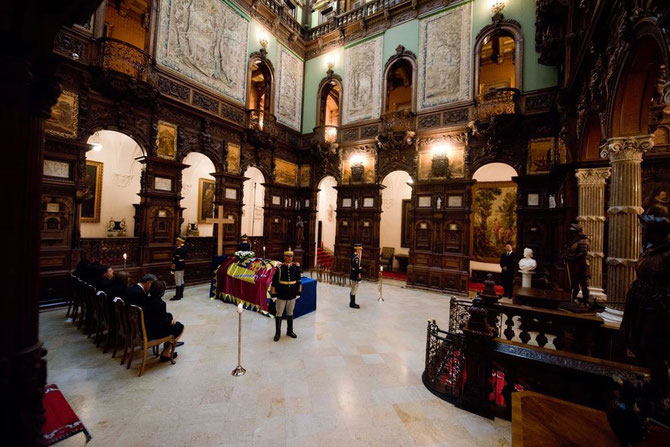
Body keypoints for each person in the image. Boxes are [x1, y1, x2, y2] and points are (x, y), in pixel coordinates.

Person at [145, 280, 185, 362]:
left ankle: (167, 349)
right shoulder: (160, 303)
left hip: (146, 327)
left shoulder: (146, 299)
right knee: (180, 326)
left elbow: (157, 315)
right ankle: (166, 353)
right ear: (162, 292)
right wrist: (170, 322)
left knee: (172, 320)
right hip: (153, 332)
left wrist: (169, 318)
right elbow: (162, 323)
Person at [271, 250, 302, 341]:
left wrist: (298, 292)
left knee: (290, 313)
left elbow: (299, 281)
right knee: (279, 313)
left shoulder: (296, 268)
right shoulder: (280, 268)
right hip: (281, 294)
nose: (289, 258)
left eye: (291, 256)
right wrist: (273, 295)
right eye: (288, 256)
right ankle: (278, 333)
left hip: (292, 294)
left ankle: (290, 331)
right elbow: (274, 282)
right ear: (284, 257)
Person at [564, 223, 591, 306]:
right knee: (575, 283)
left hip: (582, 265)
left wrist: (572, 258)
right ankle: (573, 299)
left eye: (573, 232)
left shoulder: (582, 241)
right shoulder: (576, 241)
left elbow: (583, 253)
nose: (572, 234)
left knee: (583, 284)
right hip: (577, 265)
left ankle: (585, 302)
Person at [170, 236, 187, 301]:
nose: (176, 242)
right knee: (182, 280)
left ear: (180, 241)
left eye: (177, 241)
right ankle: (181, 294)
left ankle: (178, 296)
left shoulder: (179, 249)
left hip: (178, 266)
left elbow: (175, 260)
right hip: (182, 265)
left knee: (178, 281)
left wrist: (172, 268)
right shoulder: (185, 247)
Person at [349, 243, 363, 309]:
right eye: (360, 249)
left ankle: (352, 302)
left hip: (354, 273)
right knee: (354, 289)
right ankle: (352, 304)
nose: (360, 251)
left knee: (353, 288)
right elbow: (356, 267)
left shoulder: (354, 255)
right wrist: (359, 275)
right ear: (357, 250)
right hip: (355, 274)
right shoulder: (356, 258)